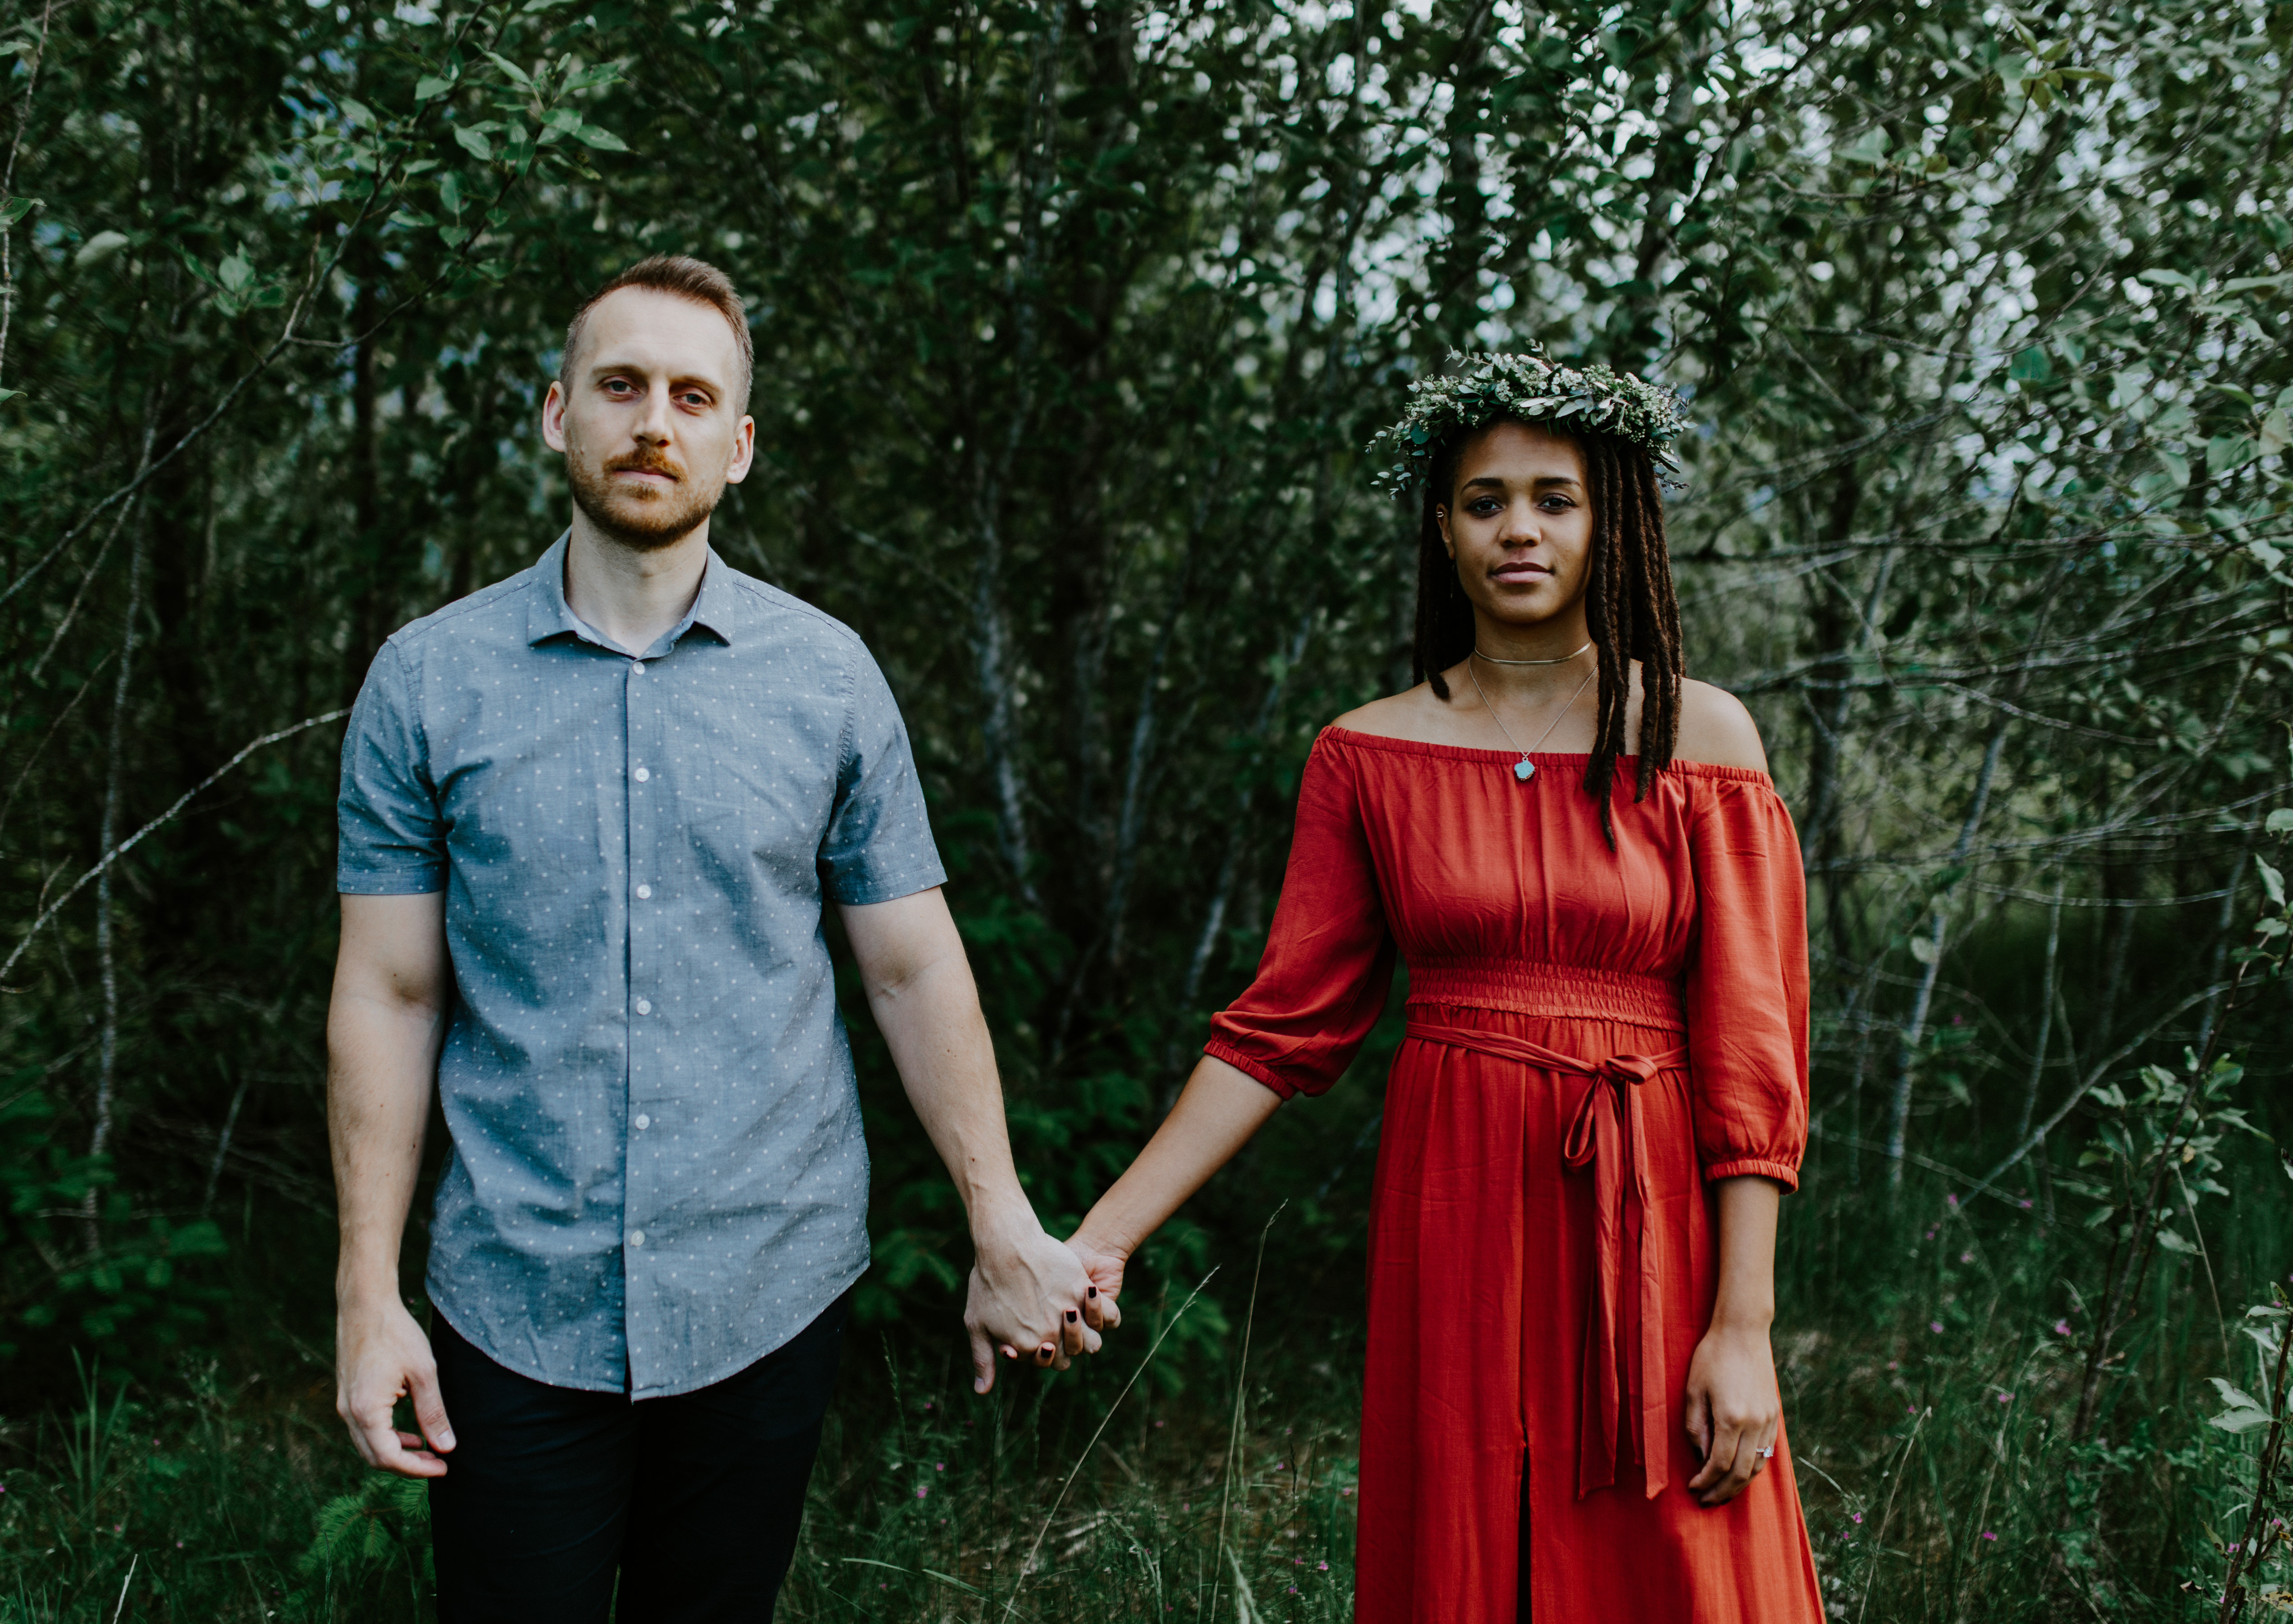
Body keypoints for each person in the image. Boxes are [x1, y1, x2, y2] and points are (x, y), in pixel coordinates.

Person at [326, 254, 1105, 1624]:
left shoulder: (827, 678)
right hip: (512, 1295)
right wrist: (366, 1293)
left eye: (694, 397)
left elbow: (912, 968)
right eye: (620, 386)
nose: (653, 423)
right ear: (555, 412)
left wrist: (998, 1222)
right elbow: (390, 993)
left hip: (767, 1289)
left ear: (737, 449)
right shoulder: (428, 679)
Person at [1067, 354, 1826, 1620]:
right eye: (1483, 502)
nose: (1516, 530)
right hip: (1455, 1205)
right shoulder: (1365, 753)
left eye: (1553, 499)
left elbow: (1755, 1053)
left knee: (1685, 1560)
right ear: (1441, 525)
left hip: (1649, 1216)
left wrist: (1739, 1326)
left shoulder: (1699, 738)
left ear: (1613, 520)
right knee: (1464, 1554)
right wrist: (1102, 1239)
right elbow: (1276, 1033)